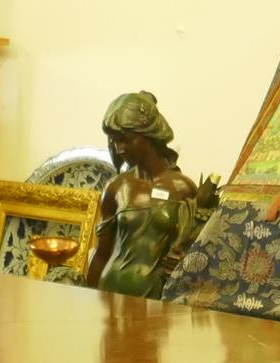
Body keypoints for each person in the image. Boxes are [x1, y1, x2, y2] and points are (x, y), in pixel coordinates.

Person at [84, 92, 219, 299]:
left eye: (126, 140)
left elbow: (199, 252)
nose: (120, 149)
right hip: (111, 288)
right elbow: (101, 254)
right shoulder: (116, 187)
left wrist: (184, 260)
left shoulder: (182, 188)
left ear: (148, 135)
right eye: (114, 141)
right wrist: (88, 299)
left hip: (155, 295)